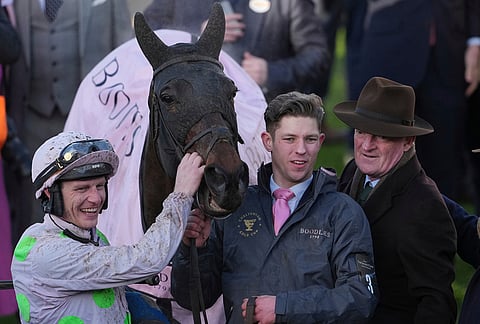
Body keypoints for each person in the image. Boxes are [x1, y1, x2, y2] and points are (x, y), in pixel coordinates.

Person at [171, 91, 378, 323]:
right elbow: (193, 299)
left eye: (309, 139)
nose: (301, 150)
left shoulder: (343, 213)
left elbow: (360, 297)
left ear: (320, 142)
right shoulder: (234, 207)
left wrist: (283, 309)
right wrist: (195, 251)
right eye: (289, 139)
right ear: (268, 141)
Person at [10, 131, 205, 323]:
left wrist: (177, 227)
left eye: (100, 186)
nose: (95, 198)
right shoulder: (45, 252)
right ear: (48, 194)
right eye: (82, 188)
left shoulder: (93, 237)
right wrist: (181, 195)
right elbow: (147, 260)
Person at [5, 0, 134, 243]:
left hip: (88, 119)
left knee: (89, 193)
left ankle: (91, 261)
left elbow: (125, 45)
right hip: (30, 117)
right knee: (31, 199)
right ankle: (33, 265)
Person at [334, 76, 457, 323]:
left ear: (408, 141)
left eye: (381, 136)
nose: (366, 145)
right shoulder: (353, 171)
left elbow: (436, 302)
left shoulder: (424, 207)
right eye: (361, 132)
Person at [345, 0, 480, 203]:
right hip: (389, 43)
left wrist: (475, 41)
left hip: (450, 52)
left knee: (444, 161)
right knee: (382, 157)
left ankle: (440, 230)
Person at [143, 0, 330, 102]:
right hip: (193, 116)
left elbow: (317, 55)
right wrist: (195, 33)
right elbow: (147, 29)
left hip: (264, 119)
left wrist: (271, 72)